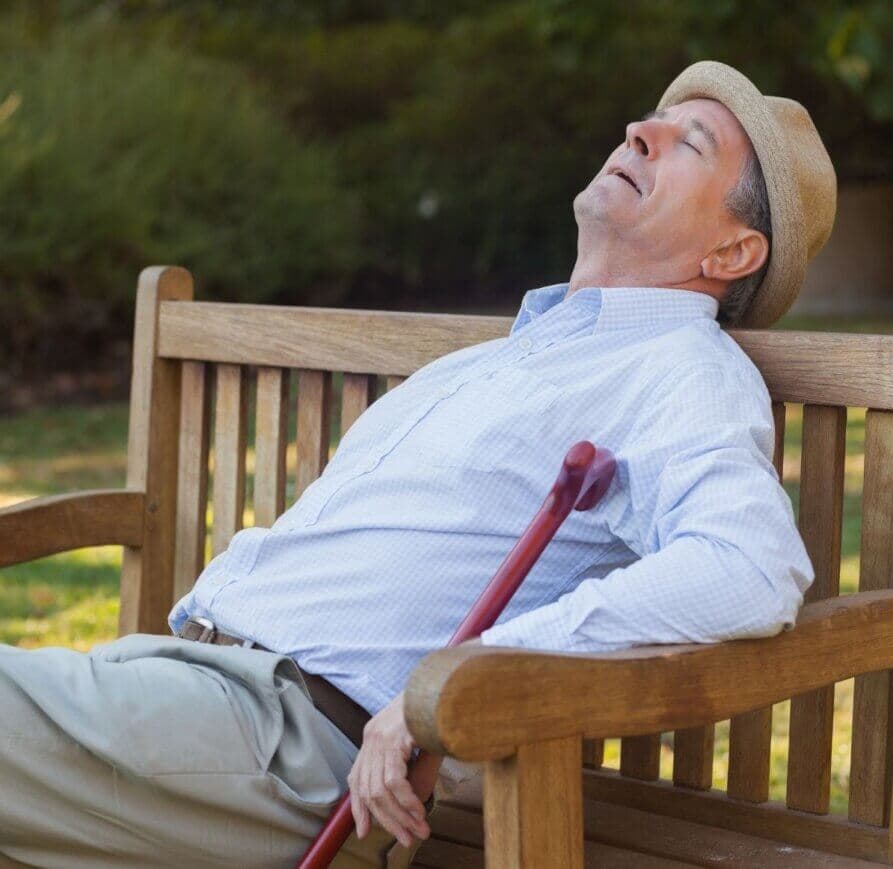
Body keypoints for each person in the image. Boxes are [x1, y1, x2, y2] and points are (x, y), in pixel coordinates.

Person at [0, 60, 836, 868]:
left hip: (289, 755)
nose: (639, 132)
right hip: (181, 688)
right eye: (654, 120)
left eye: (689, 143)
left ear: (732, 255)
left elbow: (748, 564)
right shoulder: (501, 359)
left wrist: (454, 681)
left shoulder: (680, 369)